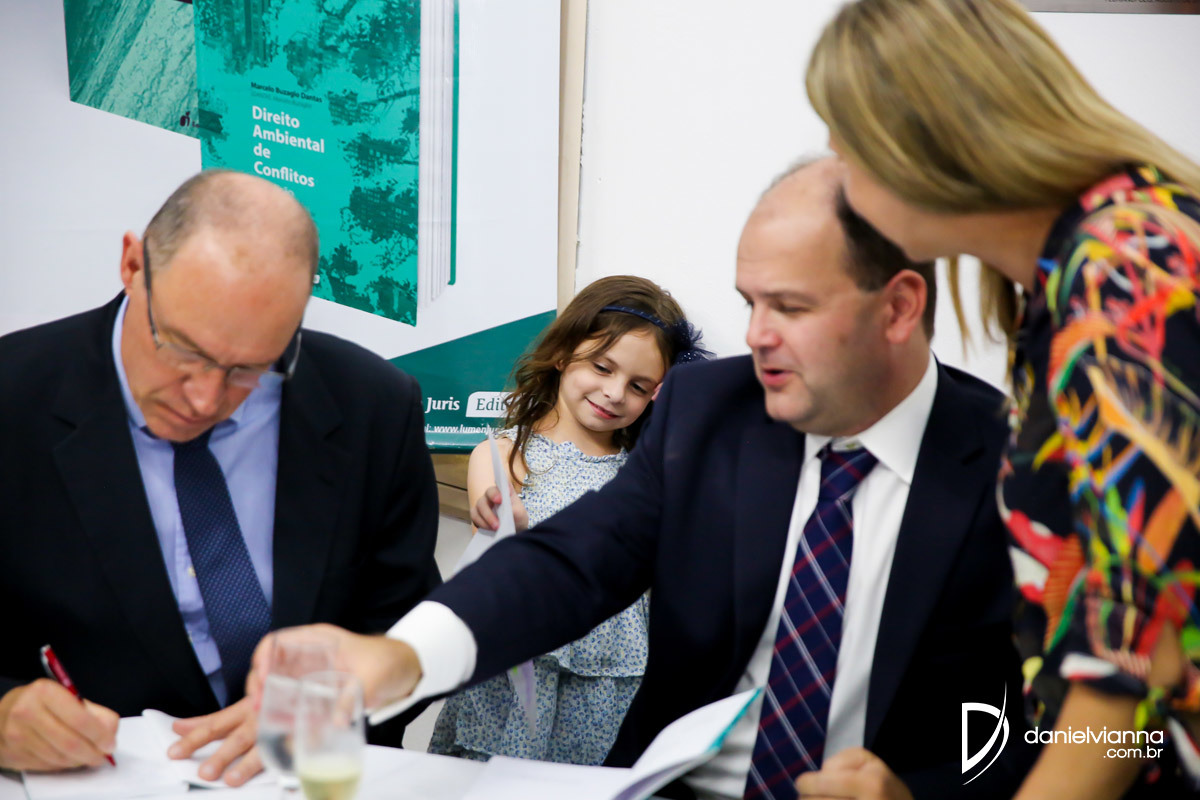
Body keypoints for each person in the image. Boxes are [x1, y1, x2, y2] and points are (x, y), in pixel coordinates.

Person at [250, 156, 1033, 799]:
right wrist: (407, 655)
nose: (756, 336)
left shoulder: (1017, 467)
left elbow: (1061, 730)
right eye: (749, 304)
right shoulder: (711, 410)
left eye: (790, 308)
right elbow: (573, 561)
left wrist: (921, 795)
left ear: (898, 309)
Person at [804, 0, 1200, 797]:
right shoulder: (1067, 280)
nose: (836, 169)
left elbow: (1138, 653)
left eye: (845, 141)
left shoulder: (1124, 270)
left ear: (920, 142)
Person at [0, 170, 441, 784]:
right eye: (183, 349)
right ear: (132, 265)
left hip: (305, 779)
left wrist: (322, 712)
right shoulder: (13, 398)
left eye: (250, 369)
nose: (206, 400)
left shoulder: (374, 405)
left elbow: (410, 632)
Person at [429, 275, 708, 765]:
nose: (615, 392)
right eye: (602, 367)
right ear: (562, 353)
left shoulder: (645, 476)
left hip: (609, 687)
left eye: (638, 386)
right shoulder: (503, 454)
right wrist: (500, 524)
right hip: (517, 678)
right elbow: (490, 555)